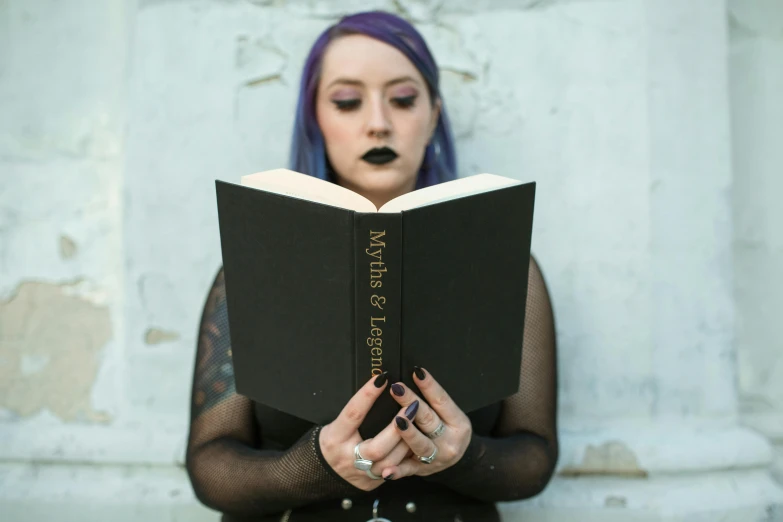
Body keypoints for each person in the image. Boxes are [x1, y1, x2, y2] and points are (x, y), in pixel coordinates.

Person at [186, 10, 558, 522]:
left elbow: (534, 458)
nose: (377, 122)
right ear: (315, 117)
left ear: (433, 115)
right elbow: (209, 464)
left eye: (403, 99)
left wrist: (460, 456)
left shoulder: (509, 270)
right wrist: (312, 466)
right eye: (346, 101)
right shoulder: (250, 273)